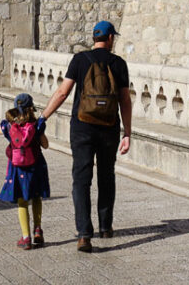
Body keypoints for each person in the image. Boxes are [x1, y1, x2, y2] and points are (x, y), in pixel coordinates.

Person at [42, 20, 132, 252]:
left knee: (81, 179)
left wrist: (43, 117)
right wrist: (128, 133)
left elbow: (63, 93)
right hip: (109, 128)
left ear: (94, 38)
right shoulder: (119, 63)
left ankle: (84, 234)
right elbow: (124, 100)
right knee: (106, 175)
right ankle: (105, 226)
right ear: (111, 38)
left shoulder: (80, 60)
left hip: (82, 127)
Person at [0, 92, 50, 250]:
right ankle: (38, 230)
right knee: (36, 197)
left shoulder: (9, 126)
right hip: (36, 166)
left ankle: (26, 237)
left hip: (17, 168)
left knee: (22, 201)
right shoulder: (36, 126)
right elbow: (45, 145)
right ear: (31, 108)